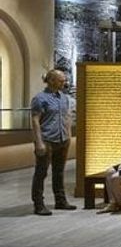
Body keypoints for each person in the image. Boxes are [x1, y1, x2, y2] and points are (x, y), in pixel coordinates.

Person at [30, 69, 76, 215]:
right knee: (41, 172)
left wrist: (68, 135)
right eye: (60, 80)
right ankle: (38, 204)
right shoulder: (40, 98)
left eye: (64, 80)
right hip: (47, 139)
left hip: (62, 139)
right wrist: (39, 142)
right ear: (51, 81)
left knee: (59, 172)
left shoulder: (64, 97)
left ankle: (60, 200)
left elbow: (66, 117)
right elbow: (35, 120)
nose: (64, 82)